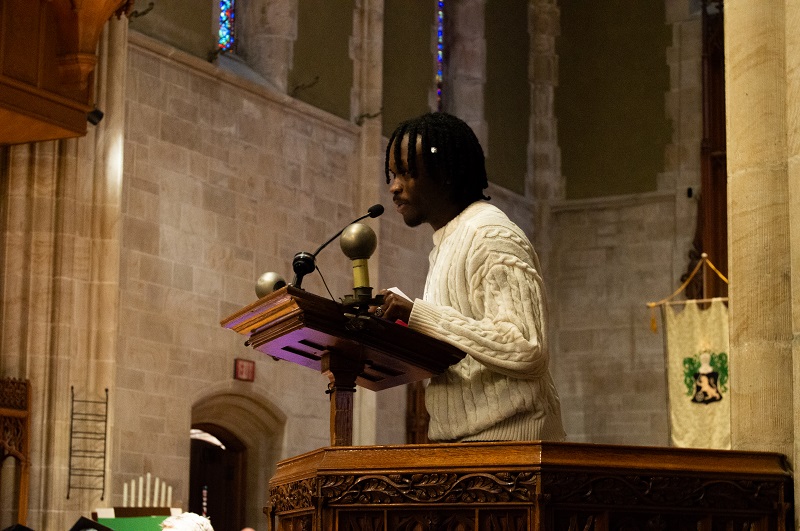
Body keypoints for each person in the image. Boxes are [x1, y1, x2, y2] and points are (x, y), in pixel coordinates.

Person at [374, 112, 565, 442]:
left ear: (445, 173)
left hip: (512, 446)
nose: (393, 187)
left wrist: (418, 314)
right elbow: (461, 348)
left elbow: (526, 347)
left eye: (406, 173)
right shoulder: (452, 240)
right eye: (392, 174)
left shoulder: (490, 235)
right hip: (465, 448)